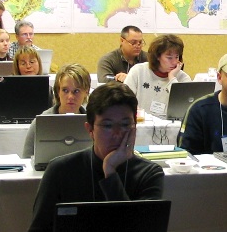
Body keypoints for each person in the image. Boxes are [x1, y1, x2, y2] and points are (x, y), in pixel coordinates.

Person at [28, 81, 165, 232]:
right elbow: (38, 228)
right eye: (107, 126)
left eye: (126, 125)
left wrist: (110, 171)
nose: (117, 134)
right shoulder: (60, 170)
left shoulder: (149, 173)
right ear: (90, 129)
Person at [22, 63, 91, 158]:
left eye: (76, 91)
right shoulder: (41, 121)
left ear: (86, 92)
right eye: (65, 90)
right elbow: (26, 157)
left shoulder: (93, 121)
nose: (70, 97)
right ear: (58, 91)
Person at [124, 34, 191, 116]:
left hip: (171, 126)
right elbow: (125, 101)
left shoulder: (183, 78)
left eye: (176, 57)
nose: (174, 62)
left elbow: (185, 107)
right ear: (157, 57)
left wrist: (172, 78)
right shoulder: (138, 71)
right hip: (142, 123)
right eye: (169, 57)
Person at [0, 46, 53, 116]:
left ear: (39, 64)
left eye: (32, 62)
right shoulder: (5, 85)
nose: (28, 66)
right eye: (23, 63)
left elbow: (53, 112)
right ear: (17, 67)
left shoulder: (47, 88)